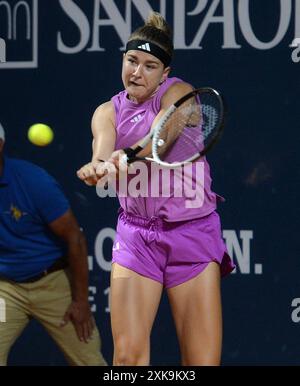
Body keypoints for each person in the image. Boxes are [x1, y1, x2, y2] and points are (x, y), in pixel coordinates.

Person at [77, 12, 235, 366]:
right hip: (137, 237)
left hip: (192, 234)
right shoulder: (107, 111)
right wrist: (98, 166)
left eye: (149, 66)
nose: (137, 72)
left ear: (164, 73)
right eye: (132, 61)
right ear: (122, 60)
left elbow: (163, 135)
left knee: (201, 363)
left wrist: (128, 154)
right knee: (128, 360)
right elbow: (102, 150)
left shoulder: (180, 93)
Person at [0, 124, 107, 366]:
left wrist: (80, 301)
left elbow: (75, 239)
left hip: (54, 283)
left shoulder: (33, 182)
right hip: (6, 288)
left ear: (1, 145)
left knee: (88, 361)